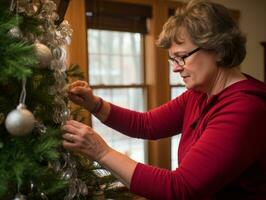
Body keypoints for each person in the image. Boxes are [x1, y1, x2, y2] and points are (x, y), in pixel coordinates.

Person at [62, 0, 266, 199]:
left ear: (219, 49)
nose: (176, 67)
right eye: (173, 59)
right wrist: (95, 105)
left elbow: (181, 188)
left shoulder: (245, 108)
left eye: (182, 57)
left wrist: (101, 152)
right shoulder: (199, 94)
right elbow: (146, 124)